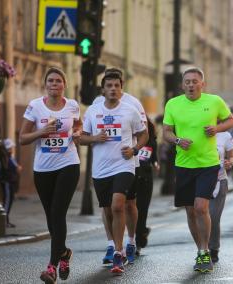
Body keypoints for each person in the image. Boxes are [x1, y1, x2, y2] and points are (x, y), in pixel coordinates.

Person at [163, 66, 233, 273]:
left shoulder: (214, 101)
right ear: (182, 85)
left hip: (208, 164)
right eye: (187, 81)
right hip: (184, 164)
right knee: (190, 210)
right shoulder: (173, 104)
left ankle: (206, 251)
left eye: (195, 81)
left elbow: (231, 120)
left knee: (201, 207)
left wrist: (217, 128)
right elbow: (166, 131)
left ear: (202, 84)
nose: (191, 85)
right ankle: (201, 250)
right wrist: (177, 140)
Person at [80, 71, 148, 274]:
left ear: (121, 87)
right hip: (101, 168)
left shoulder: (130, 109)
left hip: (124, 165)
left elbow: (144, 134)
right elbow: (82, 138)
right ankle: (112, 244)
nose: (113, 89)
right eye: (109, 86)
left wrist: (135, 150)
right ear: (103, 89)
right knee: (108, 210)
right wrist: (95, 138)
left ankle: (119, 252)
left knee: (119, 205)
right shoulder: (93, 110)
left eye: (116, 85)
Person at [19, 67, 81, 283]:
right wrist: (41, 132)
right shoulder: (35, 106)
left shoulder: (72, 105)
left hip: (68, 163)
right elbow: (23, 138)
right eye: (51, 81)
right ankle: (64, 253)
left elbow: (79, 126)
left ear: (64, 85)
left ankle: (52, 267)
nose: (54, 84)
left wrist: (78, 133)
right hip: (43, 168)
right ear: (45, 85)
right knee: (50, 219)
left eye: (58, 81)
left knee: (57, 213)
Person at [209, 130, 233, 263]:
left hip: (220, 180)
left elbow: (231, 157)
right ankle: (202, 249)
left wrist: (229, 162)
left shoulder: (225, 135)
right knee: (201, 216)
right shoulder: (196, 130)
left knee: (213, 217)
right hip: (199, 179)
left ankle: (213, 249)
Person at [135, 116, 160, 255]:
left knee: (142, 209)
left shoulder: (151, 141)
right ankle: (139, 234)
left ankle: (140, 237)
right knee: (132, 209)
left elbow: (154, 158)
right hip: (132, 176)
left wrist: (156, 165)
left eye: (144, 124)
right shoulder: (130, 139)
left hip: (146, 178)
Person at [0, 138, 22, 228]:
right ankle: (4, 222)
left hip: (9, 181)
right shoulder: (8, 157)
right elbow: (16, 169)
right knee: (7, 201)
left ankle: (6, 221)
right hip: (8, 182)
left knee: (8, 201)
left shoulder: (7, 156)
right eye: (12, 147)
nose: (13, 148)